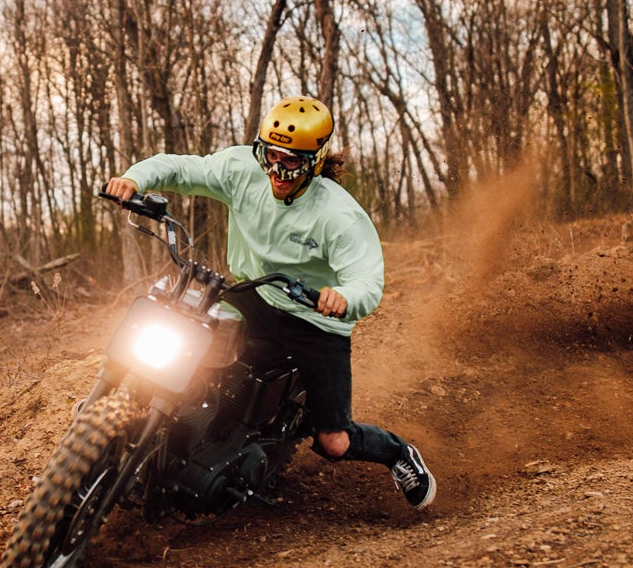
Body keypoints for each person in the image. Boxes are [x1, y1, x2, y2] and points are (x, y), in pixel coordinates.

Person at [105, 94, 436, 509]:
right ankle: (148, 429)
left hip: (314, 319)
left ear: (315, 161)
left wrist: (342, 297)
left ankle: (396, 453)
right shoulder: (243, 168)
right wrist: (135, 178)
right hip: (253, 293)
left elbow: (368, 281)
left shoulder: (339, 215)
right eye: (271, 154)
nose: (278, 169)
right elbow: (183, 167)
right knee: (183, 334)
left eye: (292, 161)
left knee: (332, 440)